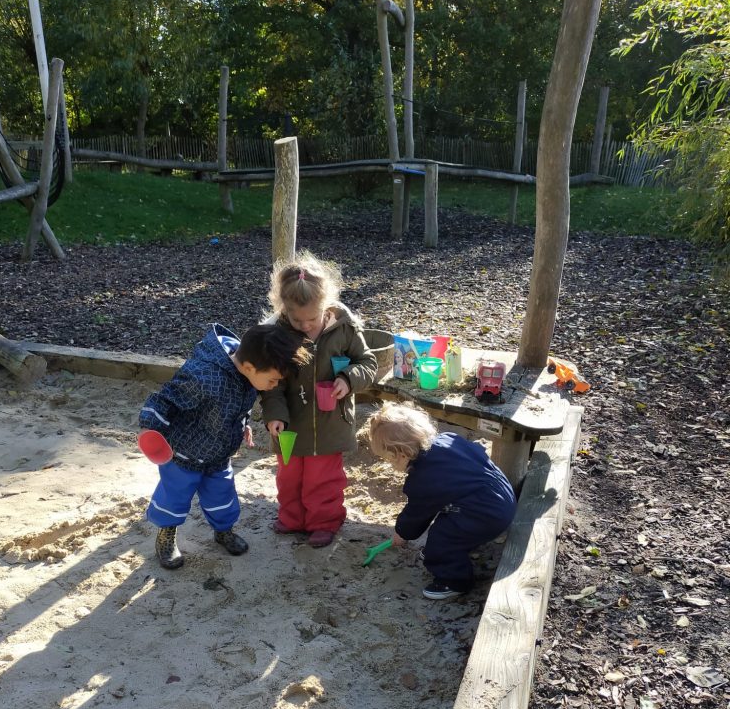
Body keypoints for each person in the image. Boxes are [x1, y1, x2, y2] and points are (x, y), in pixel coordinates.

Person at [139, 322, 309, 569]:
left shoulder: (248, 374)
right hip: (183, 453)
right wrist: (150, 428)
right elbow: (165, 399)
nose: (274, 386)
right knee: (174, 496)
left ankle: (223, 531)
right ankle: (166, 535)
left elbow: (237, 405)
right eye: (273, 380)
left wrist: (243, 424)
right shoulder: (204, 377)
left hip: (219, 454)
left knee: (222, 496)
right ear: (250, 367)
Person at [261, 251, 378, 547]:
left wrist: (348, 380)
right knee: (289, 477)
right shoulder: (277, 334)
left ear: (326, 306)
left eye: (311, 318)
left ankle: (324, 522)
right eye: (296, 319)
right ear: (283, 309)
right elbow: (270, 383)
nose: (304, 325)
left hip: (330, 423)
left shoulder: (345, 329)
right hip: (289, 424)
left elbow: (368, 363)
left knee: (322, 478)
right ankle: (292, 518)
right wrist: (274, 414)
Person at [367, 403, 517, 600]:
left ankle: (455, 581)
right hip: (503, 496)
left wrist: (402, 532)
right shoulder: (448, 439)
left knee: (442, 537)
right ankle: (454, 549)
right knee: (450, 518)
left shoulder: (422, 480)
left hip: (487, 513)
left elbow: (417, 514)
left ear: (402, 454)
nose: (390, 464)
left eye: (389, 459)